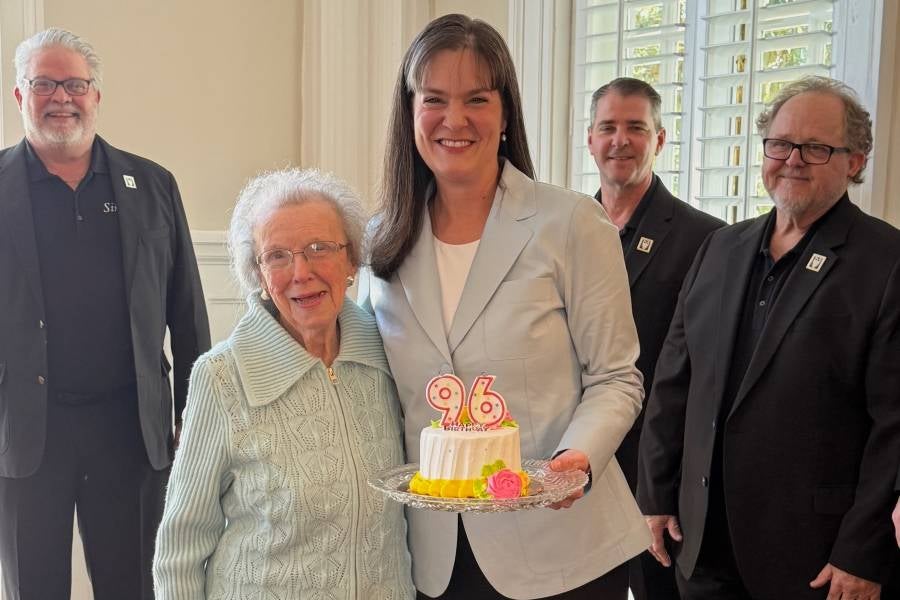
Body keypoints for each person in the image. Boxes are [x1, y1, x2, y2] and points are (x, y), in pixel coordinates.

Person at [360, 14, 649, 600]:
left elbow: (617, 378)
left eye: (477, 99)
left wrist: (578, 458)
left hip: (562, 547)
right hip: (435, 557)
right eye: (434, 99)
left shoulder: (569, 222)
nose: (455, 119)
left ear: (505, 113)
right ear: (410, 111)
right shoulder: (381, 243)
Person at [637, 75, 900, 599]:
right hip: (702, 543)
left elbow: (895, 425)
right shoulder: (719, 247)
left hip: (815, 558)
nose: (793, 158)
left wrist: (862, 550)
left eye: (816, 147)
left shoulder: (886, 262)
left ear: (855, 161)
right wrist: (655, 493)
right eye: (779, 144)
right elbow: (674, 381)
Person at [0, 28, 209, 599]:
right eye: (44, 84)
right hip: (24, 430)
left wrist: (195, 414)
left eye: (74, 84)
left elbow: (187, 311)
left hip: (130, 429)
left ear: (96, 96)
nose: (60, 97)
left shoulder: (153, 185)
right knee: (32, 588)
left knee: (135, 586)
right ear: (20, 96)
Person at [152, 168, 415, 599]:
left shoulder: (388, 355)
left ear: (351, 261)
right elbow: (180, 549)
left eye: (319, 248)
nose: (301, 271)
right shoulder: (222, 378)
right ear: (257, 274)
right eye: (277, 255)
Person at [587, 77, 723, 600]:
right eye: (608, 127)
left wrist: (663, 484)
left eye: (636, 128)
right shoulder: (562, 229)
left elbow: (703, 370)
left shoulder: (706, 238)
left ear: (660, 140)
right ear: (591, 139)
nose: (620, 140)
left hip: (656, 473)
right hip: (575, 461)